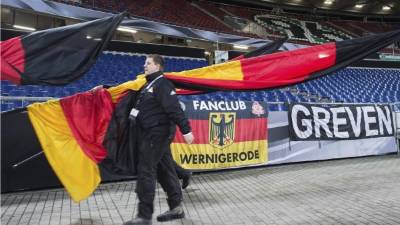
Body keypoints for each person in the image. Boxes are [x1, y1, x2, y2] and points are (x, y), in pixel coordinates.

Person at [124, 54, 194, 225]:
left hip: (157, 134)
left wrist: (186, 130)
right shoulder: (149, 85)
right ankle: (176, 207)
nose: (144, 66)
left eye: (148, 63)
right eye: (144, 63)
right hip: (150, 133)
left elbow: (174, 108)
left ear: (157, 66)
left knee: (146, 170)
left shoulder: (162, 84)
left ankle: (144, 216)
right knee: (165, 170)